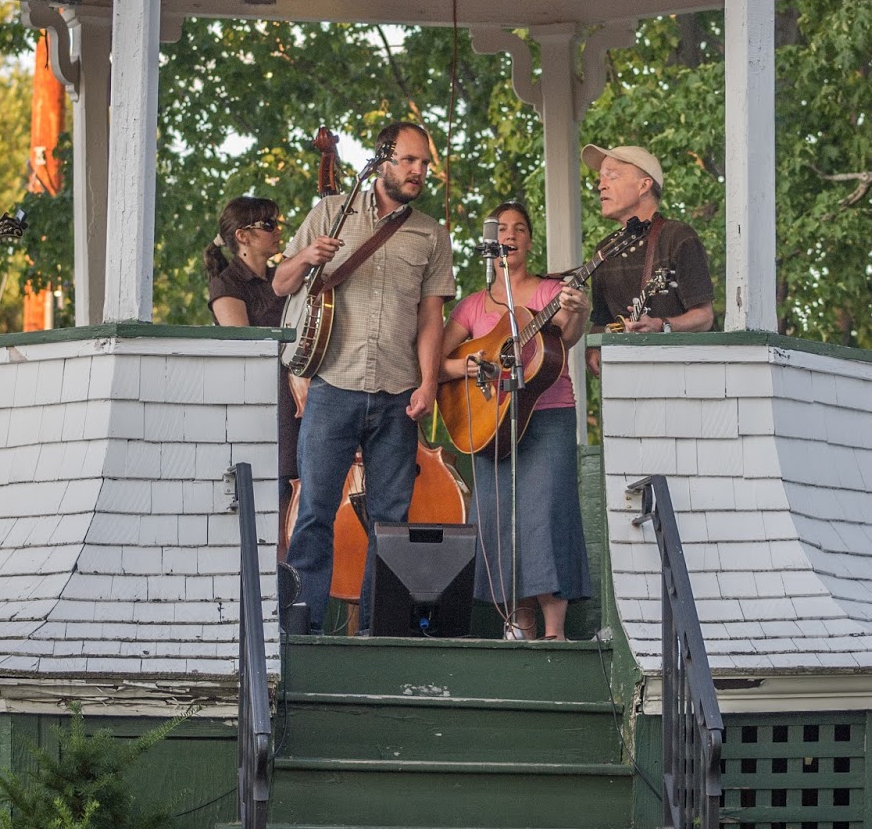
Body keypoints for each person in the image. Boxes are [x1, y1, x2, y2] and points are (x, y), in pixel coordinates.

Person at [273, 121, 455, 632]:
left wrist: (427, 383)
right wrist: (308, 255)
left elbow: (430, 318)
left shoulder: (431, 234)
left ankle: (380, 631)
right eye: (410, 161)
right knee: (314, 513)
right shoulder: (331, 212)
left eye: (425, 164)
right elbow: (282, 281)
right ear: (382, 160)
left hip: (398, 393)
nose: (419, 171)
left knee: (390, 521)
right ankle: (302, 630)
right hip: (333, 385)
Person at [440, 201, 591, 640]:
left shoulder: (548, 292)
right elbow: (436, 361)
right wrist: (463, 368)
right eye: (502, 228)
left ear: (528, 240)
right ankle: (519, 625)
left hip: (547, 415)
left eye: (520, 229)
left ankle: (554, 631)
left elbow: (567, 334)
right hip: (491, 425)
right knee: (501, 518)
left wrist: (578, 310)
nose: (510, 235)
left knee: (547, 513)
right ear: (491, 242)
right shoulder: (471, 308)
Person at [581, 144, 714, 376]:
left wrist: (662, 325)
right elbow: (601, 319)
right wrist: (593, 346)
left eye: (611, 176)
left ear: (644, 185)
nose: (601, 185)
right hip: (626, 377)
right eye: (600, 178)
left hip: (685, 373)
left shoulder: (678, 236)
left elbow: (704, 317)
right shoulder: (604, 250)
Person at [204, 196, 300, 502]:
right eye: (269, 224)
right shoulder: (227, 283)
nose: (278, 230)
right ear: (243, 236)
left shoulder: (278, 277)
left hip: (296, 394)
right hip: (266, 402)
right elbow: (246, 346)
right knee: (281, 488)